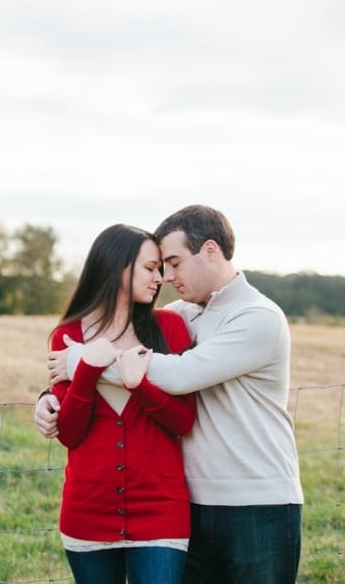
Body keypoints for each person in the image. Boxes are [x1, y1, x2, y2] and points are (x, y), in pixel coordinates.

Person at [36, 205, 303, 584]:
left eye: (174, 263)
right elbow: (111, 343)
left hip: (256, 503)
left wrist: (81, 360)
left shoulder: (257, 316)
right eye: (159, 266)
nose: (166, 277)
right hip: (194, 502)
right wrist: (51, 395)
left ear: (210, 250)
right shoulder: (183, 315)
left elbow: (178, 376)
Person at [48, 223, 195, 584]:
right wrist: (87, 367)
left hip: (161, 512)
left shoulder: (170, 329)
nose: (159, 278)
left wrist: (138, 385)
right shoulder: (67, 336)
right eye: (149, 268)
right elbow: (70, 433)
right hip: (87, 513)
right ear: (117, 266)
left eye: (160, 268)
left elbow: (183, 422)